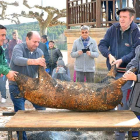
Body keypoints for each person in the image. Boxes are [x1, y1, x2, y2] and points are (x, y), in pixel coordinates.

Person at [98, 7, 140, 140]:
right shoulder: (113, 29)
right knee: (109, 100)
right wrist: (109, 55)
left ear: (131, 18)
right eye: (120, 17)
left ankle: (120, 134)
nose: (121, 19)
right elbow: (102, 44)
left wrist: (122, 61)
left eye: (125, 17)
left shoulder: (136, 31)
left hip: (128, 74)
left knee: (123, 104)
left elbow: (135, 52)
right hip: (112, 72)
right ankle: (110, 129)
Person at [9, 31, 46, 140]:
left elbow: (41, 71)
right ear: (27, 39)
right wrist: (35, 61)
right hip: (16, 85)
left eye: (38, 42)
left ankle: (42, 134)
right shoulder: (18, 47)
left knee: (42, 108)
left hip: (31, 85)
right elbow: (17, 60)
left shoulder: (39, 52)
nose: (37, 44)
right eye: (34, 41)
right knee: (21, 114)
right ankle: (22, 138)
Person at [123, 45, 140, 139]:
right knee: (135, 122)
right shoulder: (139, 48)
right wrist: (131, 69)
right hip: (137, 97)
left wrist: (136, 77)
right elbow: (132, 63)